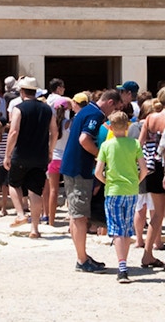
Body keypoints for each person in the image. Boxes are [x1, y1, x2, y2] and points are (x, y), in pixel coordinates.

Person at [60, 88, 122, 272]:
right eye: (116, 108)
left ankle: (83, 256)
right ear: (110, 102)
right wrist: (100, 156)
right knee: (80, 217)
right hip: (79, 169)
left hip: (72, 167)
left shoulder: (86, 110)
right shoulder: (95, 114)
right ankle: (82, 260)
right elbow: (84, 139)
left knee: (75, 214)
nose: (113, 113)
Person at [94, 111, 148, 283]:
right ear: (127, 126)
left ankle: (122, 267)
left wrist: (107, 181)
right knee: (126, 229)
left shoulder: (106, 146)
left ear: (109, 126)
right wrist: (136, 181)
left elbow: (97, 172)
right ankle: (124, 264)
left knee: (117, 230)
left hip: (113, 191)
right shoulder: (134, 144)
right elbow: (144, 169)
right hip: (131, 190)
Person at [3, 76, 57, 239]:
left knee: (13, 183)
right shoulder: (48, 109)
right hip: (40, 155)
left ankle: (20, 213)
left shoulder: (19, 108)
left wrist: (7, 153)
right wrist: (50, 151)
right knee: (35, 191)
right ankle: (34, 228)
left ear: (22, 91)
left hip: (21, 154)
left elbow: (13, 132)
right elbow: (54, 132)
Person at [138, 101, 165, 268]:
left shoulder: (149, 119)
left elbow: (138, 144)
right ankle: (147, 255)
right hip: (162, 166)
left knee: (157, 214)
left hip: (152, 169)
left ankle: (147, 254)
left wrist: (141, 167)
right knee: (158, 214)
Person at [45, 96, 72, 226]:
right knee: (69, 190)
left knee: (53, 191)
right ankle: (72, 218)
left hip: (54, 158)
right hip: (66, 159)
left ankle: (51, 220)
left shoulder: (52, 124)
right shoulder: (69, 123)